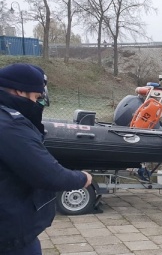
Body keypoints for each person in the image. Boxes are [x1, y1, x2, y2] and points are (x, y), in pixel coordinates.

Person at [0, 63, 93, 254]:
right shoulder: (11, 126)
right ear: (20, 91)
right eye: (36, 97)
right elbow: (49, 175)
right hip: (10, 236)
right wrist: (83, 178)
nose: (37, 103)